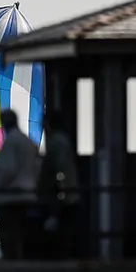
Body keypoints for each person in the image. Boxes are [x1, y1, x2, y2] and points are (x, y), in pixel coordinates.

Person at [0, 109, 41, 259]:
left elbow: (6, 170)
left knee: (9, 239)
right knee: (23, 238)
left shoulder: (11, 142)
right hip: (27, 197)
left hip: (10, 199)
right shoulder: (28, 142)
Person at [38, 108, 81, 258]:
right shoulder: (62, 141)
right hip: (66, 193)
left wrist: (60, 190)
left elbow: (59, 169)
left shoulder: (56, 142)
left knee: (60, 230)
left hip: (61, 195)